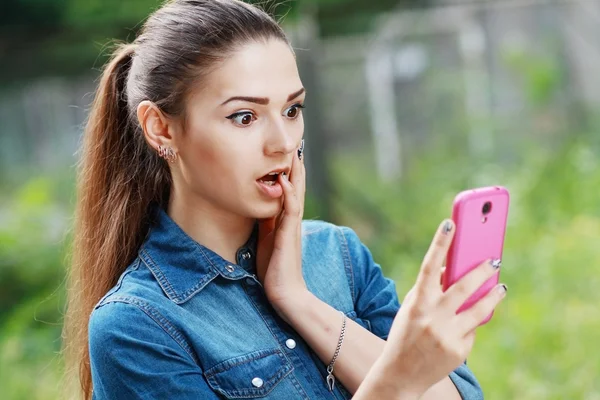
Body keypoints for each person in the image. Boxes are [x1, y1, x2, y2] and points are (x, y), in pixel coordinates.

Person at [62, 0, 507, 399]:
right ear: (161, 129)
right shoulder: (137, 328)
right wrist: (399, 379)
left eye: (292, 110)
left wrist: (297, 299)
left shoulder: (339, 256)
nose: (282, 141)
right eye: (244, 117)